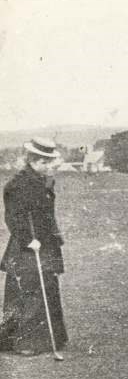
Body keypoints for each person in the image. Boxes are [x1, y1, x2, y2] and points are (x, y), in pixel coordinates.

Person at [0, 138, 67, 356]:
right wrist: (28, 239)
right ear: (34, 161)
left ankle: (51, 339)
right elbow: (14, 217)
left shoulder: (43, 180)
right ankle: (23, 342)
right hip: (27, 246)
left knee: (47, 286)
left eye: (51, 162)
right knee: (28, 290)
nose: (51, 167)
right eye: (46, 163)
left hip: (46, 242)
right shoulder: (17, 185)